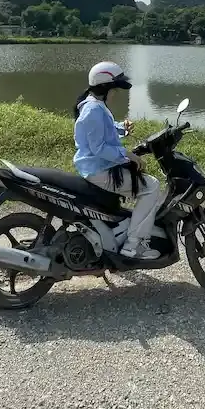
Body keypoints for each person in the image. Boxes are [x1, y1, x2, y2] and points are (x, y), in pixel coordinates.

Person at [72, 61, 164, 261]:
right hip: (99, 169)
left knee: (146, 184)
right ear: (105, 88)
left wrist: (122, 128)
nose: (116, 94)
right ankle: (134, 245)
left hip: (98, 166)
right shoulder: (93, 109)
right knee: (151, 187)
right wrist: (127, 155)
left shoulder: (94, 105)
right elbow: (98, 148)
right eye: (115, 89)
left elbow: (104, 130)